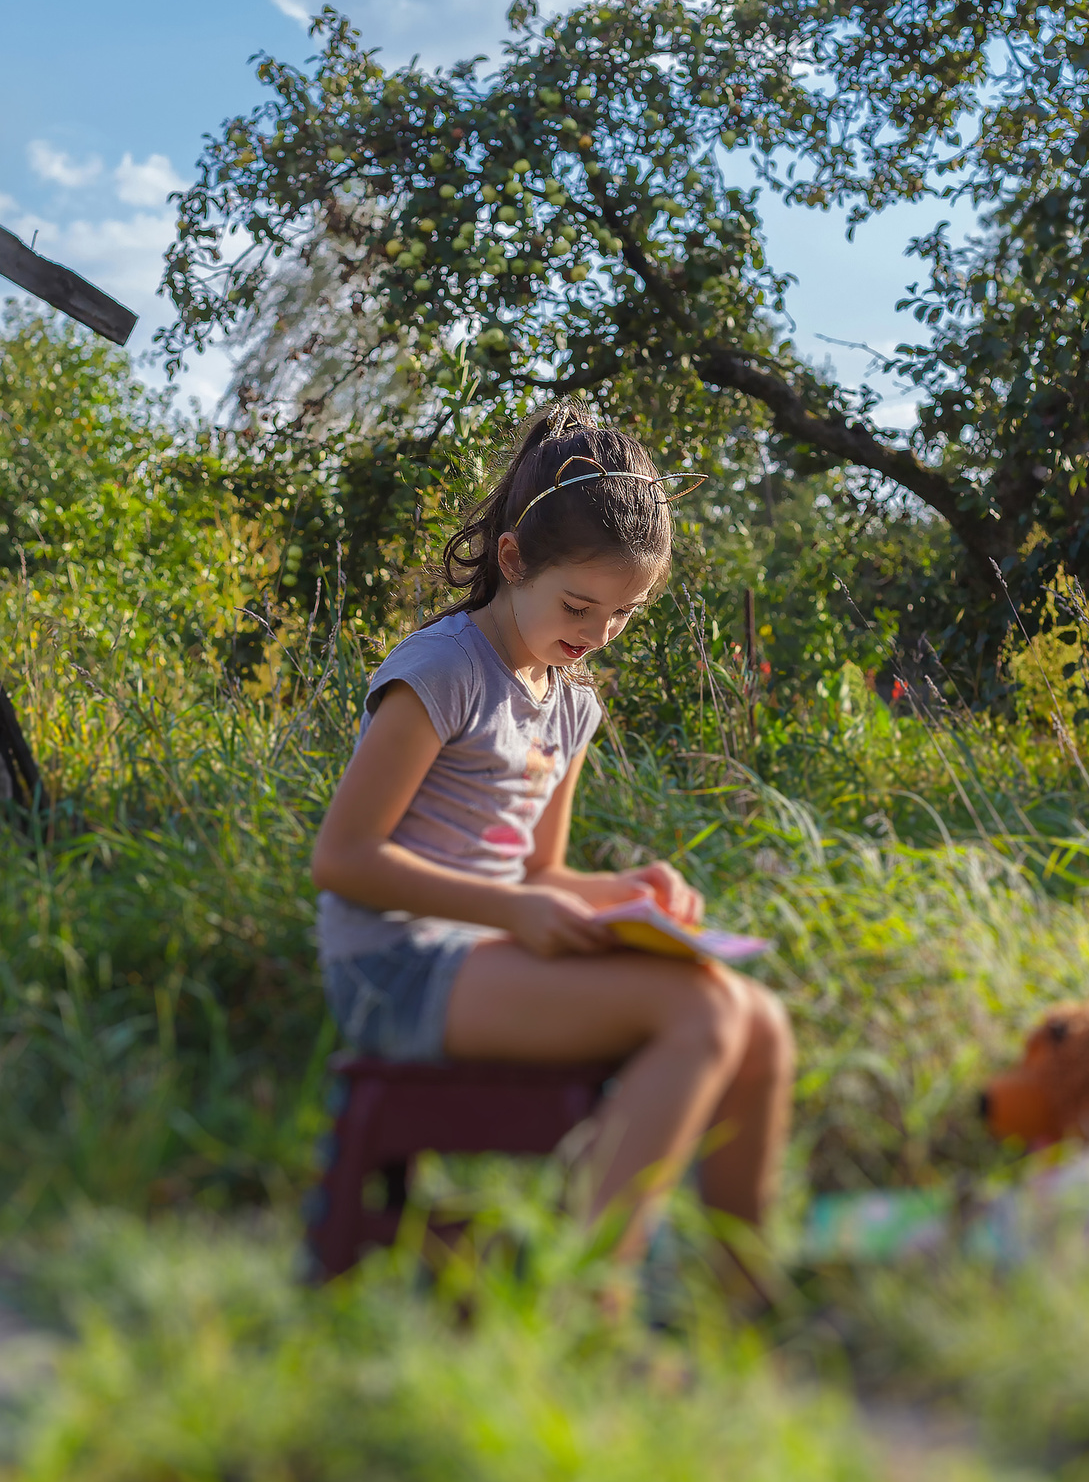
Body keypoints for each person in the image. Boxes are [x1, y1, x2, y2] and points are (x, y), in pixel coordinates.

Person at [309, 403, 794, 1270]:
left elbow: (541, 870)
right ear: (512, 560)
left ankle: (740, 1295)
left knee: (760, 1021)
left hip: (486, 954)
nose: (598, 634)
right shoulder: (443, 670)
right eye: (579, 604)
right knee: (703, 1011)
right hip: (395, 968)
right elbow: (343, 859)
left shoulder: (572, 701)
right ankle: (594, 1299)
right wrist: (514, 909)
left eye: (626, 614)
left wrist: (625, 890)